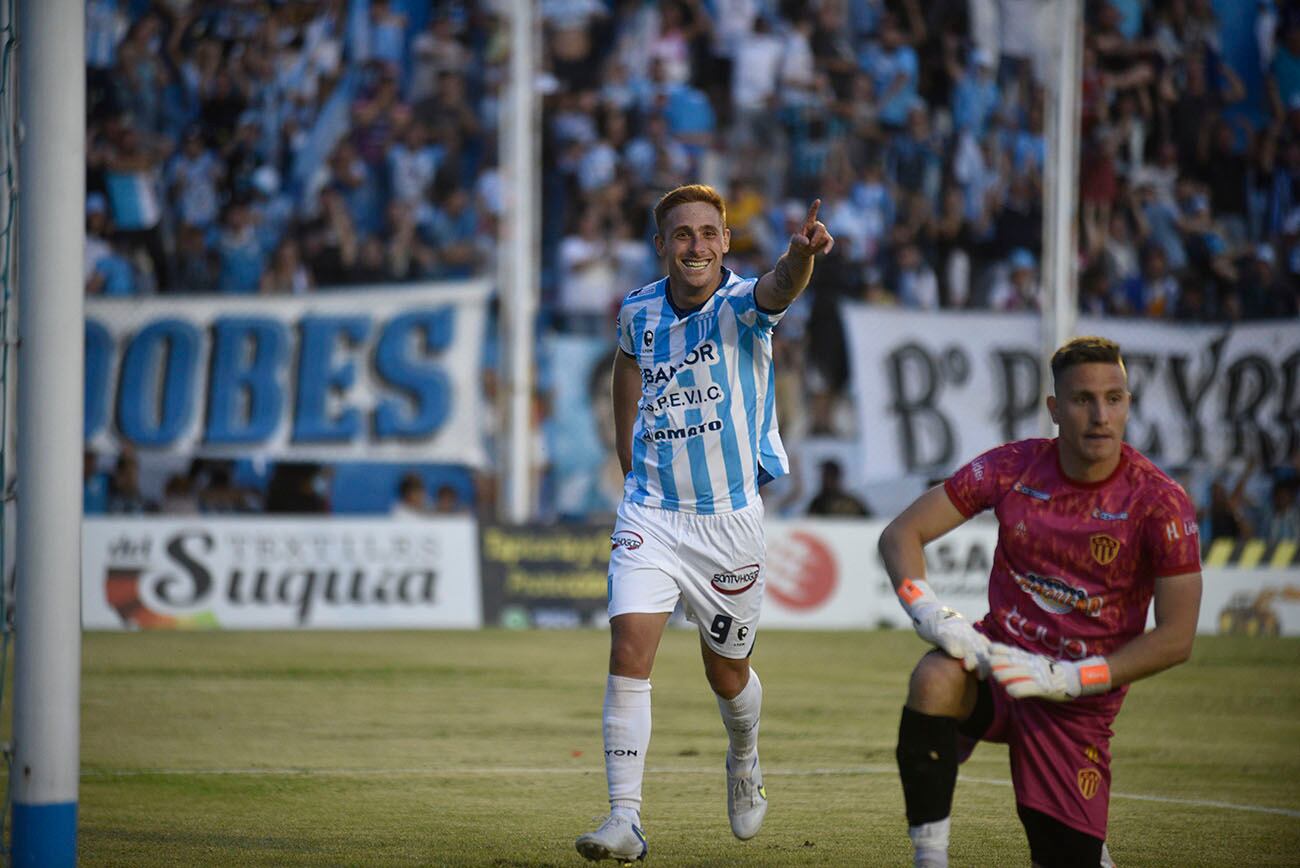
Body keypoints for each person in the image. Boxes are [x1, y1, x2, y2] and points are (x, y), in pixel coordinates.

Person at [575, 183, 833, 863]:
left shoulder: (742, 305)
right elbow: (626, 367)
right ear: (663, 246)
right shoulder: (636, 310)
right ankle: (624, 817)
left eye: (708, 233)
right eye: (682, 234)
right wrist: (626, 449)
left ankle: (744, 753)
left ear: (725, 241)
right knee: (629, 651)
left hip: (728, 525)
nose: (697, 245)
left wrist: (801, 257)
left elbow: (780, 286)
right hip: (652, 514)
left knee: (727, 675)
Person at [878, 336, 1203, 868]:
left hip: (1076, 702)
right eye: (1082, 400)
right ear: (1055, 408)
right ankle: (929, 859)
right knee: (935, 676)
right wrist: (931, 613)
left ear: (1128, 402)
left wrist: (1074, 678)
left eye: (1114, 398)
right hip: (999, 664)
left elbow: (1176, 638)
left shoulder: (1159, 502)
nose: (1100, 415)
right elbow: (902, 534)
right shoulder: (1014, 467)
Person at [807, 459, 872, 517]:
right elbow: (807, 524)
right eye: (823, 476)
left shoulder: (852, 503)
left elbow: (871, 523)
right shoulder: (817, 503)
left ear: (837, 477)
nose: (824, 480)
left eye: (828, 476)